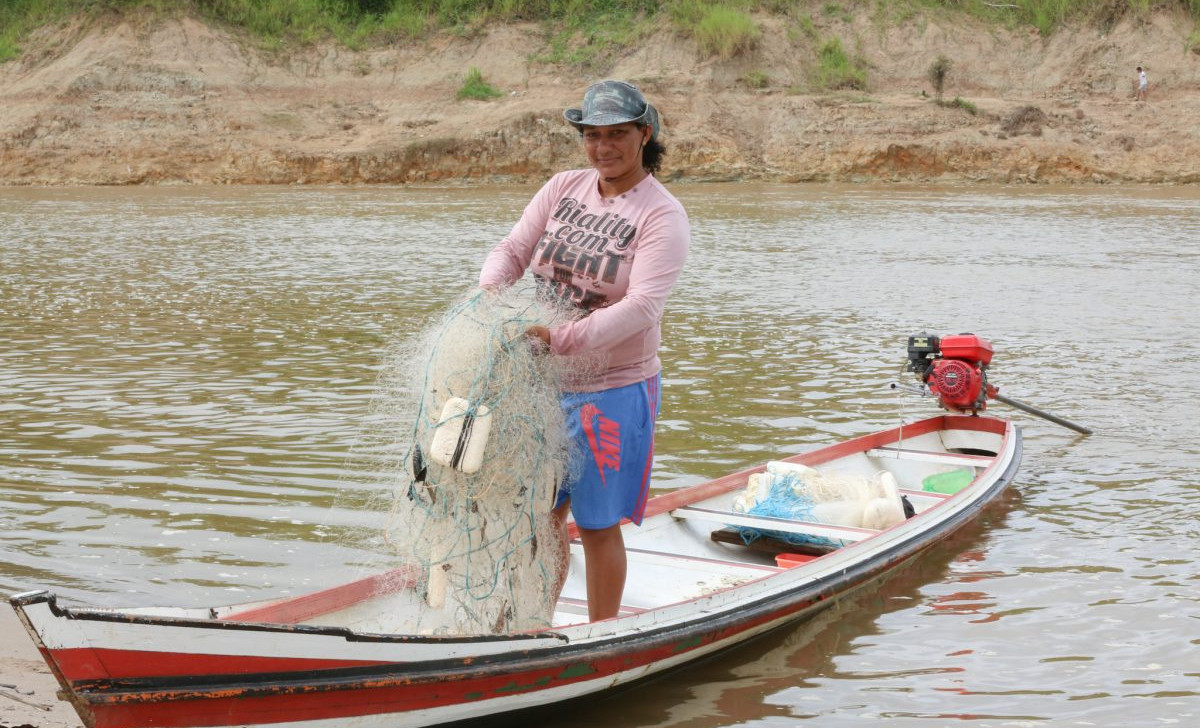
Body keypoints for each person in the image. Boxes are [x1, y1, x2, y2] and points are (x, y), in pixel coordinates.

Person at [478, 80, 690, 621]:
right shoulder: (563, 187)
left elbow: (642, 306)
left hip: (613, 392)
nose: (603, 148)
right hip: (543, 388)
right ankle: (532, 625)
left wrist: (558, 339)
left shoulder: (662, 215)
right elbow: (514, 249)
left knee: (596, 526)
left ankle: (601, 635)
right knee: (539, 517)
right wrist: (488, 295)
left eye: (617, 134)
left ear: (645, 134)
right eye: (592, 136)